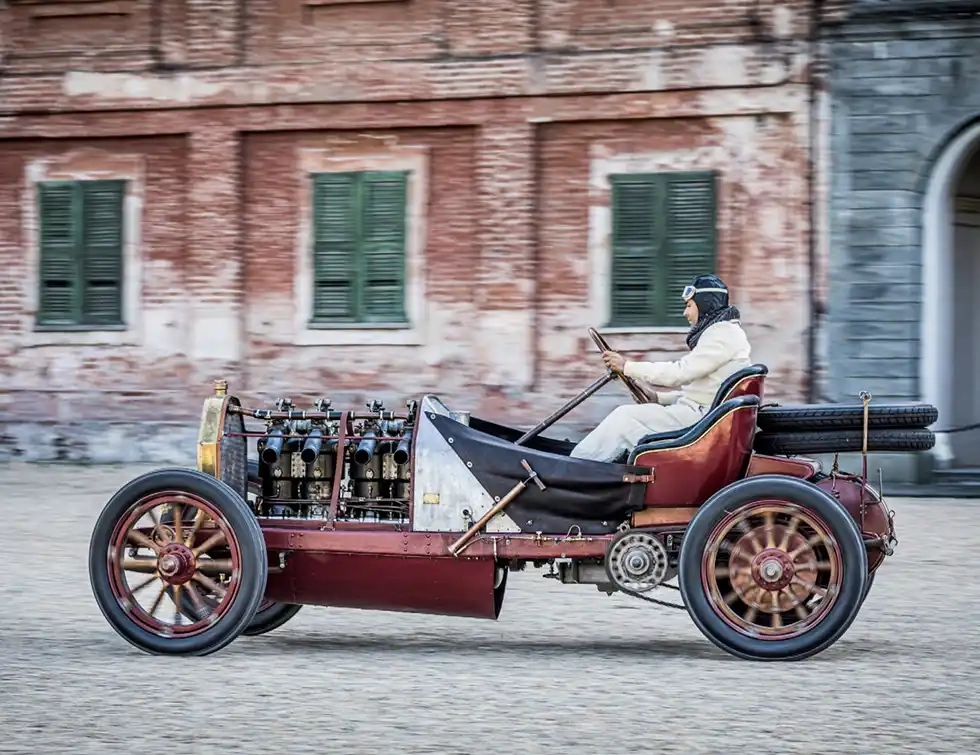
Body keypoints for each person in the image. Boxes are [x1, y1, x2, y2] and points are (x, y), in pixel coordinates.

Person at [569, 274, 752, 463]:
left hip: (701, 420)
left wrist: (626, 366)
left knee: (624, 417)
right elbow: (705, 394)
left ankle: (571, 469)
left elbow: (679, 373)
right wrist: (658, 398)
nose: (685, 313)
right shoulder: (723, 332)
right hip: (703, 415)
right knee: (632, 423)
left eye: (689, 306)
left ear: (705, 304)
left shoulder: (722, 334)